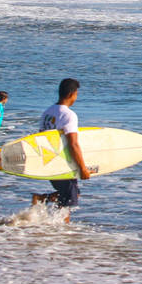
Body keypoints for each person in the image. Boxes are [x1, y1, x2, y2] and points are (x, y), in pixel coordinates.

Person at [32, 78, 92, 218]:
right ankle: (63, 232)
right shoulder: (68, 115)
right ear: (72, 94)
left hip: (49, 160)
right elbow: (73, 143)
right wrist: (82, 168)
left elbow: (41, 138)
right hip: (63, 163)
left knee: (72, 194)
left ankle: (42, 199)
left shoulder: (47, 112)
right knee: (69, 201)